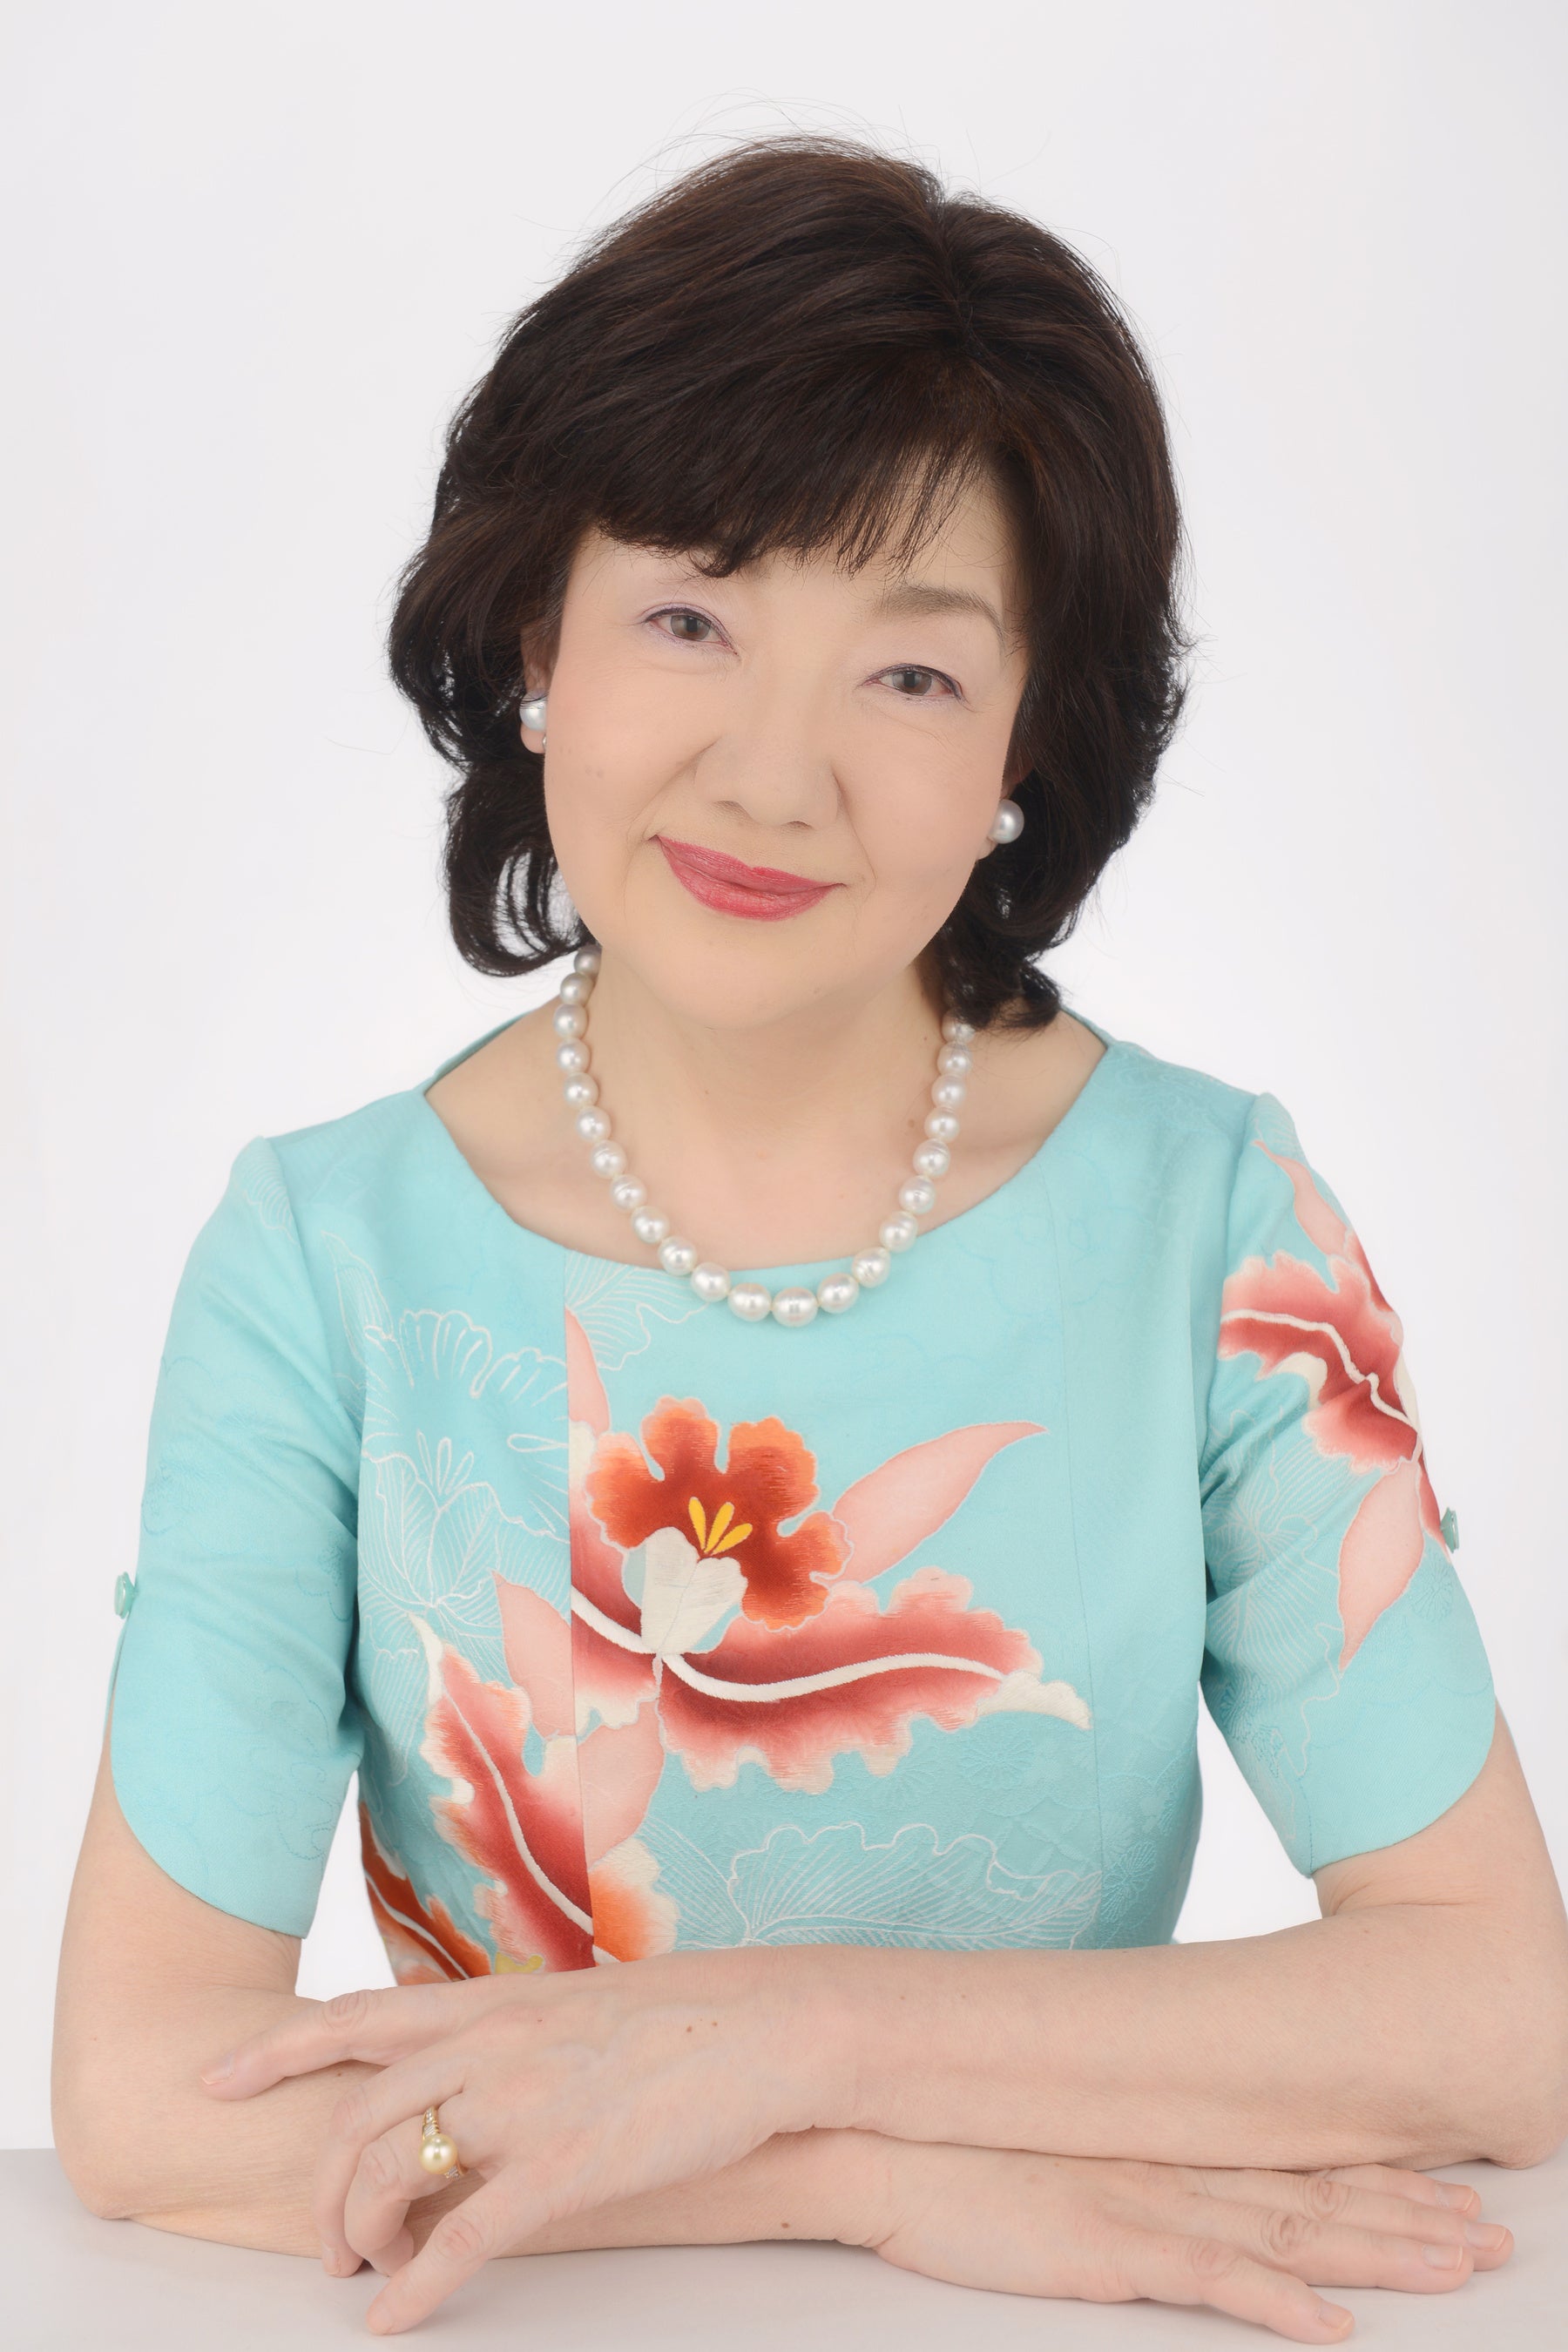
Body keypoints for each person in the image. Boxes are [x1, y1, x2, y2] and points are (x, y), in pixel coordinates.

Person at [52, 135, 1568, 2345]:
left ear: (1030, 740)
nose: (774, 777)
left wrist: (787, 2043)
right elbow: (143, 2097)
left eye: (913, 676)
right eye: (691, 619)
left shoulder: (1211, 1222)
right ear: (538, 638)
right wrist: (865, 2187)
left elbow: (1497, 2014)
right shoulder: (325, 1258)